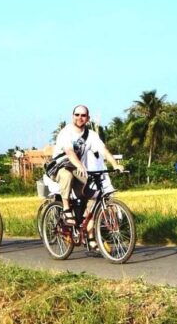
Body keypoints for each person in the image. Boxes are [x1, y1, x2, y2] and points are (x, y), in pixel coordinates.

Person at [50, 105, 124, 248]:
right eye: (77, 115)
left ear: (88, 118)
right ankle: (66, 209)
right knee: (67, 175)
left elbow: (103, 150)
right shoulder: (66, 132)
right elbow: (70, 152)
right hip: (60, 167)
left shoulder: (91, 135)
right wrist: (80, 166)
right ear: (72, 116)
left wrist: (115, 164)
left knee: (93, 195)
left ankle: (88, 232)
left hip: (79, 170)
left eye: (83, 115)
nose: (80, 118)